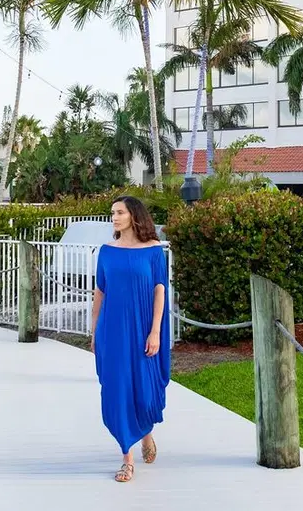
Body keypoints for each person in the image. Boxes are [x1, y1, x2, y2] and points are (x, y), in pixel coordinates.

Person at [90, 195, 169, 483]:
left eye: (119, 212)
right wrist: (94, 329)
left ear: (134, 215)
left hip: (142, 329)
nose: (114, 217)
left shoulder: (153, 251)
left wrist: (155, 330)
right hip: (112, 330)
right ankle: (127, 458)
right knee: (118, 388)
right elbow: (101, 291)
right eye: (112, 212)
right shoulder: (107, 251)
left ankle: (146, 433)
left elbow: (159, 290)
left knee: (144, 390)